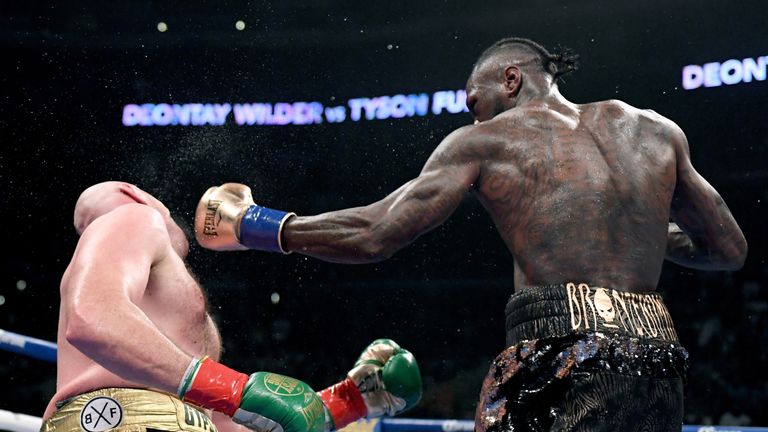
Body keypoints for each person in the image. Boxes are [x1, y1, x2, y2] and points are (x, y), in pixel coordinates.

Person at [193, 37, 747, 432]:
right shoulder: (655, 130)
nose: (475, 118)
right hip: (658, 356)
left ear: (511, 79)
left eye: (474, 103)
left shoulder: (486, 141)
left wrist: (257, 226)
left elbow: (376, 232)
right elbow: (728, 250)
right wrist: (643, 229)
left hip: (560, 347)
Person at [41, 181, 422, 432]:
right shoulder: (133, 216)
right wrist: (236, 388)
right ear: (134, 192)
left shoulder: (168, 347)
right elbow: (91, 317)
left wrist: (345, 403)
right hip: (116, 417)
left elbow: (235, 416)